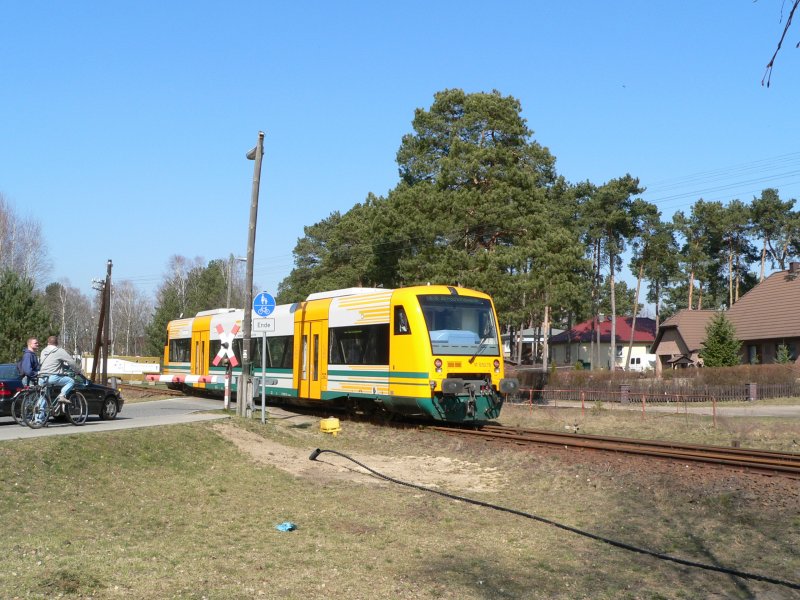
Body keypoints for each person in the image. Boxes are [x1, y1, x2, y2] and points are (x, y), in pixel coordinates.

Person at [38, 335, 82, 404]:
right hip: (52, 377)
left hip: (41, 377)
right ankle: (62, 395)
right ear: (57, 343)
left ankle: (38, 414)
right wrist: (78, 371)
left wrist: (63, 367)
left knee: (43, 397)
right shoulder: (59, 351)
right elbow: (71, 362)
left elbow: (50, 363)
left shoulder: (43, 351)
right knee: (71, 381)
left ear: (48, 343)